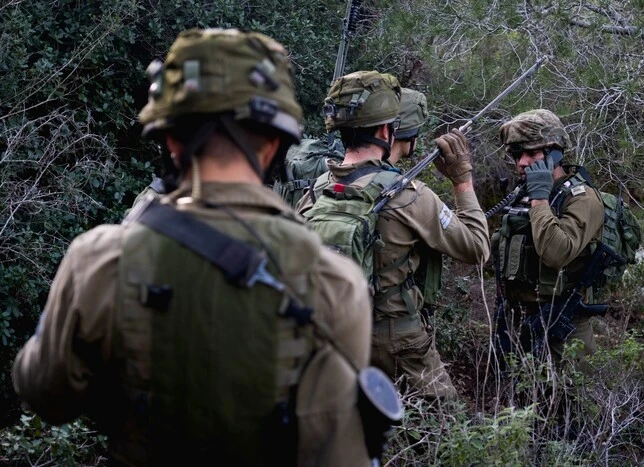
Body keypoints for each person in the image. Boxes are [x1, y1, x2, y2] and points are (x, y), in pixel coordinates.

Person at [13, 28, 384, 466]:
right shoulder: (335, 283)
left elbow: (46, 395)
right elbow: (334, 454)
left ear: (169, 139)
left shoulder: (101, 258)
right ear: (273, 145)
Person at [297, 72, 490, 401]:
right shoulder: (410, 195)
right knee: (441, 432)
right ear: (387, 130)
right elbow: (476, 248)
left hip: (334, 337)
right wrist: (462, 181)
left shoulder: (319, 189)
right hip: (397, 342)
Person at [492, 109, 605, 372]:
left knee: (568, 406)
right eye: (517, 155)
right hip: (516, 320)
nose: (521, 163)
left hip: (562, 328)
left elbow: (557, 252)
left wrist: (540, 200)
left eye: (531, 153)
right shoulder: (525, 193)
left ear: (554, 154)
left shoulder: (582, 198)